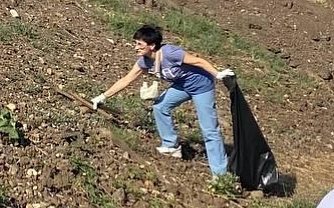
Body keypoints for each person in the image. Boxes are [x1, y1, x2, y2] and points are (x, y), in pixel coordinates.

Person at [90, 24, 233, 178]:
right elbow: (126, 80)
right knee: (160, 106)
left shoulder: (170, 53)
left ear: (152, 45)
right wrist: (103, 96)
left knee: (209, 130)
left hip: (202, 85)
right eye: (135, 43)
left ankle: (220, 175)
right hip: (182, 86)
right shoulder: (144, 62)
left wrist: (217, 74)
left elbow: (198, 62)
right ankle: (171, 146)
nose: (135, 47)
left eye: (139, 44)